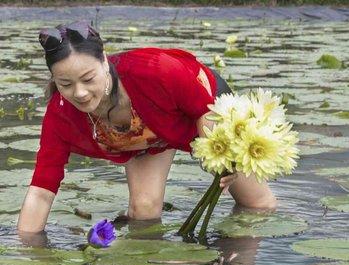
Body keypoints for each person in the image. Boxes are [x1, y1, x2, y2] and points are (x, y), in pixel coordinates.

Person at [17, 21, 276, 235]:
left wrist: (219, 160)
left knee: (256, 203)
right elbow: (41, 190)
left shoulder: (156, 71)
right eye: (66, 84)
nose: (80, 93)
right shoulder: (61, 112)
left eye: (88, 79)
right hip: (144, 139)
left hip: (199, 112)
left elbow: (203, 109)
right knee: (144, 210)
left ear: (104, 62)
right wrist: (28, 251)